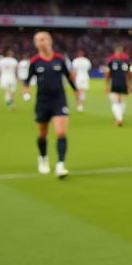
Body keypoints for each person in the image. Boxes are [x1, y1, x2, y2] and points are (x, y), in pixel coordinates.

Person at [22, 30, 76, 177]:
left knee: (61, 132)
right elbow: (26, 80)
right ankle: (43, 158)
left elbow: (69, 77)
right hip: (42, 102)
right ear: (35, 44)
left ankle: (60, 165)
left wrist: (76, 90)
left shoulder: (59, 59)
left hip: (59, 100)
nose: (42, 42)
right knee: (42, 134)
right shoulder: (34, 62)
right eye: (39, 40)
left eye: (44, 39)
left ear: (50, 41)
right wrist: (25, 91)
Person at [104, 43, 132, 125]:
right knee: (122, 101)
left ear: (115, 52)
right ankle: (120, 117)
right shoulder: (126, 61)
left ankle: (119, 118)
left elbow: (108, 74)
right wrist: (130, 84)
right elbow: (129, 74)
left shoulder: (111, 60)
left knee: (115, 102)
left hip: (115, 83)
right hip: (124, 83)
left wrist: (106, 85)